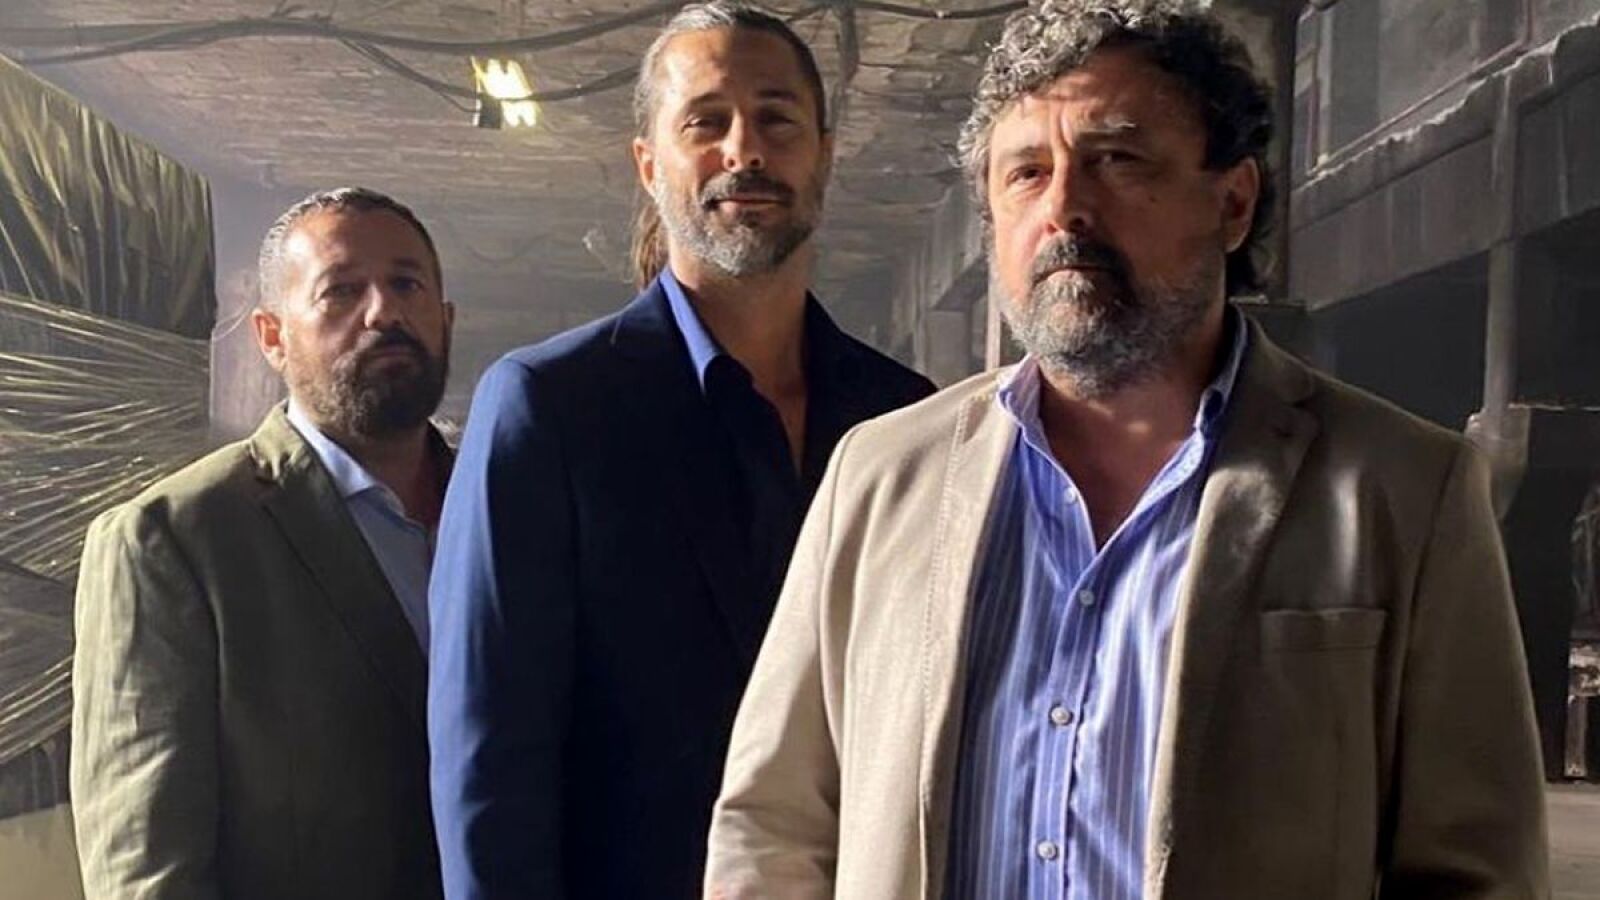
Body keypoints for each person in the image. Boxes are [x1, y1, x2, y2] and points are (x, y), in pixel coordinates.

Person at [704, 2, 1549, 898]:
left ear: (1233, 202)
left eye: (1118, 160)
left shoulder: (1402, 489)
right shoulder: (879, 477)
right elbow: (774, 824)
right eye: (1027, 173)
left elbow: (1477, 872)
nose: (1065, 207)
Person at [425, 3, 934, 897]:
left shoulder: (905, 420)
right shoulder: (549, 408)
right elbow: (490, 761)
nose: (745, 150)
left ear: (824, 154)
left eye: (777, 119)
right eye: (706, 121)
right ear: (648, 163)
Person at [71, 187, 454, 899]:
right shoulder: (174, 541)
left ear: (446, 319)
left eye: (407, 284)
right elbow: (147, 871)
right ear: (272, 336)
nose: (384, 312)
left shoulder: (509, 509)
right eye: (341, 291)